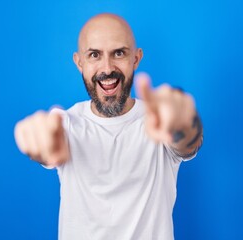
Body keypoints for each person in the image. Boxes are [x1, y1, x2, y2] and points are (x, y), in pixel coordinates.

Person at [14, 13, 203, 240]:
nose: (107, 68)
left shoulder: (159, 120)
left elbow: (188, 143)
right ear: (79, 62)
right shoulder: (66, 123)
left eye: (119, 53)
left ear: (136, 58)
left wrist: (183, 125)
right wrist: (41, 147)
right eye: (94, 55)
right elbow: (50, 147)